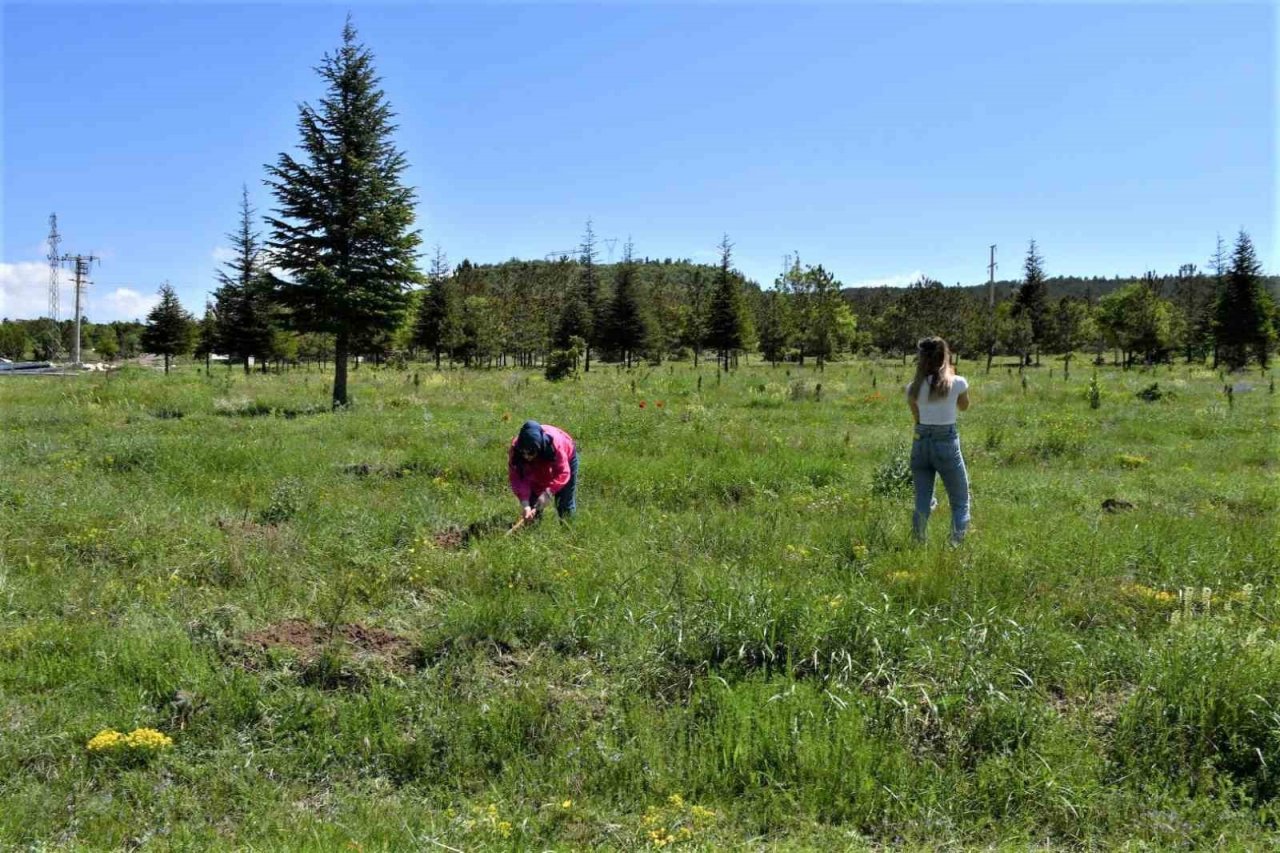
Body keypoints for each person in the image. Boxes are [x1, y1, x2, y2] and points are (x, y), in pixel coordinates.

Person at [905, 337, 970, 544]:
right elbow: (964, 406)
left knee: (922, 499)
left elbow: (918, 418)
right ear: (945, 356)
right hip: (946, 441)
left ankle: (918, 541)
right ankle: (956, 544)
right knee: (960, 501)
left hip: (921, 442)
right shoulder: (958, 383)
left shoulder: (912, 388)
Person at [508, 420, 578, 523]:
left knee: (564, 502)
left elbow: (563, 472)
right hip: (539, 461)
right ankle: (533, 529)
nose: (526, 456)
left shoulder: (554, 446)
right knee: (532, 501)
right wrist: (525, 504)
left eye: (531, 452)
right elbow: (518, 478)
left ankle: (569, 531)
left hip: (566, 456)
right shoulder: (516, 451)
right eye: (523, 452)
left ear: (538, 447)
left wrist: (548, 493)